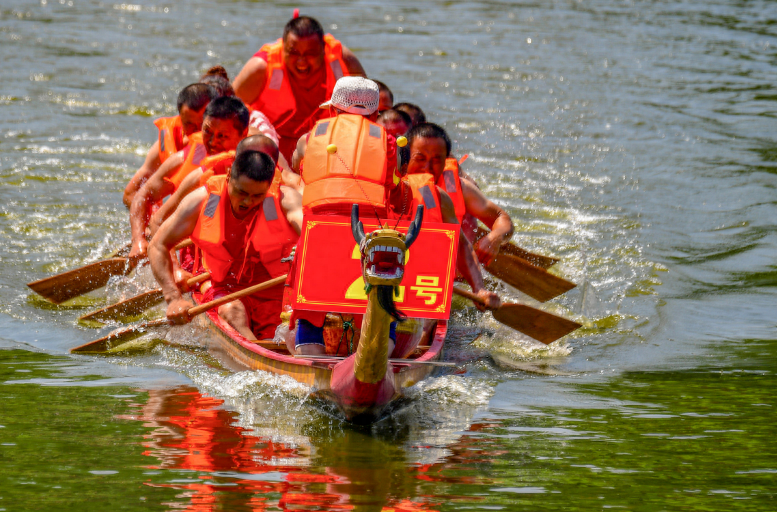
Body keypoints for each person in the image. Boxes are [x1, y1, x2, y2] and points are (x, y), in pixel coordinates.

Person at [290, 77, 499, 355]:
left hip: (320, 231)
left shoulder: (309, 138)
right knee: (378, 298)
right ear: (375, 115)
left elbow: (296, 164)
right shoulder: (387, 142)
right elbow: (395, 190)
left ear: (333, 111)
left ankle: (312, 359)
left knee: (310, 310)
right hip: (366, 233)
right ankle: (379, 349)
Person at [149, 150, 303, 342]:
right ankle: (259, 358)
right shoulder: (201, 200)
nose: (248, 202)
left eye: (257, 196)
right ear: (229, 174)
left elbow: (312, 233)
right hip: (225, 288)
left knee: (289, 332)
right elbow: (157, 245)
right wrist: (173, 298)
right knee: (233, 311)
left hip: (275, 290)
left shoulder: (285, 199)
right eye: (241, 192)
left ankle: (266, 354)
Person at [128, 97, 250, 258]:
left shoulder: (261, 162)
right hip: (196, 258)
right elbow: (147, 204)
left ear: (244, 134)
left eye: (222, 136)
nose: (212, 142)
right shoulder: (186, 164)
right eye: (207, 132)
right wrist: (139, 239)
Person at [232, 15, 366, 162]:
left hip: (329, 153)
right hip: (271, 161)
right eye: (293, 52)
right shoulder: (260, 69)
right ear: (283, 48)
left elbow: (371, 111)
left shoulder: (344, 64)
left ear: (324, 48)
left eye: (310, 53)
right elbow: (227, 113)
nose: (301, 62)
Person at [402, 123, 514, 263]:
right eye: (420, 159)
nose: (427, 168)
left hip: (449, 272)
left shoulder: (460, 187)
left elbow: (501, 217)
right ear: (405, 159)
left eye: (436, 160)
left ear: (446, 160)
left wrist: (495, 237)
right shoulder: (392, 187)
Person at [147, 134, 281, 238]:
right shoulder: (204, 179)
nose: (257, 167)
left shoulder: (285, 186)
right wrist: (175, 268)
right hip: (205, 258)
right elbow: (158, 220)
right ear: (235, 161)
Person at [123, 83, 218, 208]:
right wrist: (154, 221)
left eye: (202, 125)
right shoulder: (168, 143)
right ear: (180, 118)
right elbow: (130, 194)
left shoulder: (228, 147)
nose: (197, 132)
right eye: (189, 124)